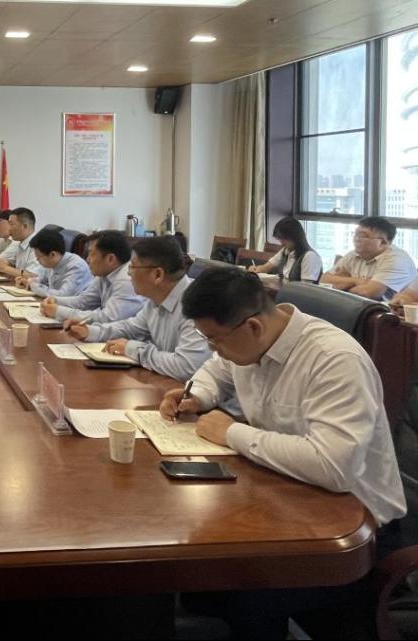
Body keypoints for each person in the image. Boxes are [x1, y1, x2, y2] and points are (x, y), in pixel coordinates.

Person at [161, 268, 405, 639]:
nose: (212, 348)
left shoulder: (333, 359)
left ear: (253, 326)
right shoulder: (247, 341)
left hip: (353, 530)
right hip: (287, 501)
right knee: (198, 579)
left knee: (234, 592)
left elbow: (333, 466)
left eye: (214, 339)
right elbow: (216, 369)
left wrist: (231, 432)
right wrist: (197, 395)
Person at [62, 236, 210, 381]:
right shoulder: (155, 299)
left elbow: (185, 367)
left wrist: (134, 350)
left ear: (157, 274)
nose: (128, 273)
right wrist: (90, 331)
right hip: (165, 384)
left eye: (132, 266)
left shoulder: (197, 304)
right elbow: (131, 328)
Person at [41, 230, 144, 324]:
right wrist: (55, 300)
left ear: (110, 259)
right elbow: (84, 302)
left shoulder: (127, 280)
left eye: (91, 254)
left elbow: (108, 318)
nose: (87, 259)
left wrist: (59, 311)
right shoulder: (104, 273)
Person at [320, 216, 415, 301]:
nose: (356, 239)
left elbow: (367, 293)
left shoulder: (396, 259)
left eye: (362, 236)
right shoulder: (353, 254)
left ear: (382, 242)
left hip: (390, 312)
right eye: (355, 234)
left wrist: (342, 282)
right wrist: (356, 281)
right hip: (357, 306)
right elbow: (323, 280)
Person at [17, 228, 92, 298]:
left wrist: (33, 286)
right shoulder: (51, 263)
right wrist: (29, 281)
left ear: (52, 254)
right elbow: (42, 279)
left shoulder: (76, 266)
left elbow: (63, 295)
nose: (37, 260)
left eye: (39, 257)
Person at [248, 217, 322, 282]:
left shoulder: (310, 256)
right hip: (283, 290)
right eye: (280, 239)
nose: (281, 243)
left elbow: (306, 288)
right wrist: (255, 269)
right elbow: (265, 268)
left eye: (283, 239)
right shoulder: (285, 250)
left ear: (294, 237)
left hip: (294, 293)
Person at [0, 207, 41, 279]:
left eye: (11, 224)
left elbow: (33, 276)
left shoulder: (38, 245)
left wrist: (4, 268)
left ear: (24, 226)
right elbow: (12, 262)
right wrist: (1, 262)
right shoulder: (20, 243)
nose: (9, 228)